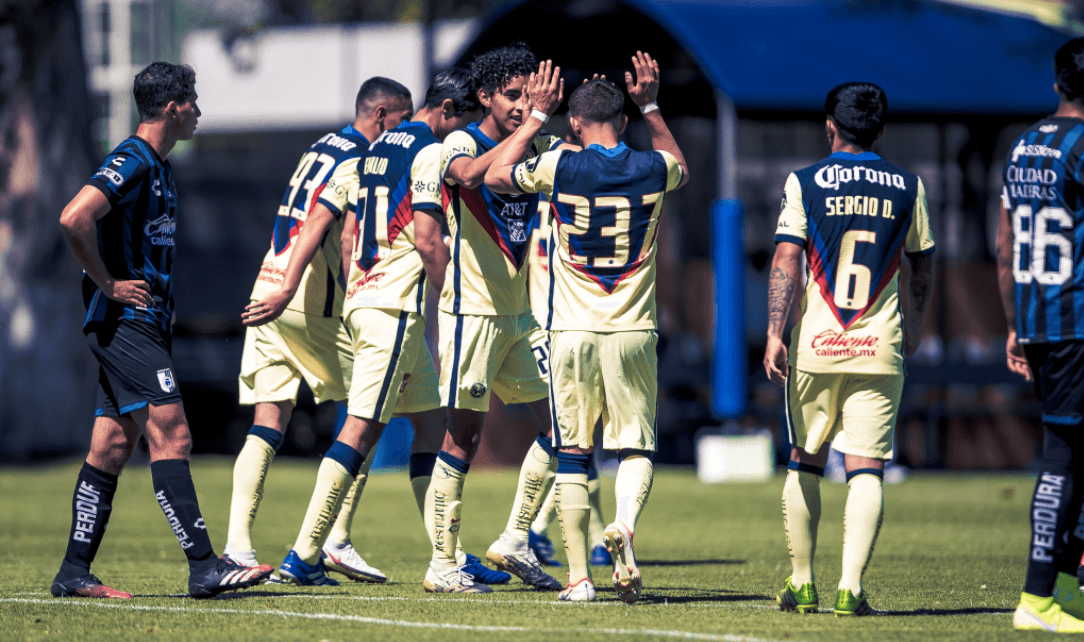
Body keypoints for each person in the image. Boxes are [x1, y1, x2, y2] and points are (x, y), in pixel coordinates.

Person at [53, 62, 274, 599]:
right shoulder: (131, 159)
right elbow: (73, 217)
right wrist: (107, 283)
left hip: (143, 324)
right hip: (123, 322)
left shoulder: (160, 166)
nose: (199, 110)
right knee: (172, 434)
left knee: (110, 445)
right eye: (194, 100)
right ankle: (204, 566)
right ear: (173, 107)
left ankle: (73, 573)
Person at [272, 68, 491, 588]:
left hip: (368, 300)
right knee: (361, 427)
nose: (459, 137)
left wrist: (338, 287)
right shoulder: (430, 151)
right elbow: (426, 237)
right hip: (394, 306)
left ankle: (448, 553)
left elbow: (339, 229)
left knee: (431, 426)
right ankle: (303, 555)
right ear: (445, 112)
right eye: (461, 124)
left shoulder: (367, 151)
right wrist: (455, 297)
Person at [485, 52, 689, 602]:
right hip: (632, 332)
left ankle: (578, 579)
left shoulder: (560, 168)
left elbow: (496, 175)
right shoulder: (653, 168)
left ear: (573, 123)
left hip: (570, 333)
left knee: (572, 452)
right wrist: (650, 104)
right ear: (622, 121)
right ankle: (622, 524)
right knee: (634, 450)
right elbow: (679, 162)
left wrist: (534, 118)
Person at [225, 77, 414, 585]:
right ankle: (335, 539)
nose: (404, 133)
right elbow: (338, 229)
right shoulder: (358, 157)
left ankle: (238, 548)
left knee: (267, 425)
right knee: (369, 412)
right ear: (380, 116)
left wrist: (279, 286)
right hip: (308, 300)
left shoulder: (320, 145)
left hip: (266, 284)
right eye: (401, 121)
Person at [764, 82, 935, 616]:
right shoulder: (909, 184)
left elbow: (787, 259)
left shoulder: (805, 180)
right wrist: (917, 324)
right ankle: (851, 588)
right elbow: (921, 261)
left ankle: (803, 582)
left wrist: (774, 332)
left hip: (817, 343)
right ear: (881, 131)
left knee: (804, 462)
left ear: (830, 126)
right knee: (867, 468)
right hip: (879, 344)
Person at [421, 44, 577, 594]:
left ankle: (514, 538)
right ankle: (443, 565)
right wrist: (534, 120)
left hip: (519, 316)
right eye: (512, 95)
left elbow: (579, 160)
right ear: (484, 96)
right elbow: (468, 177)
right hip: (471, 312)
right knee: (462, 437)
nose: (522, 105)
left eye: (529, 95)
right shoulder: (462, 140)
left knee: (564, 428)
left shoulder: (541, 141)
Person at [999, 36, 1084, 633]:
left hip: (1038, 317)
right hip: (1078, 318)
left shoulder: (1024, 144)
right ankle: (1036, 598)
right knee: (1062, 452)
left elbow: (1005, 246)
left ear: (1056, 82)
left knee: (1070, 447)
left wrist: (1011, 323)